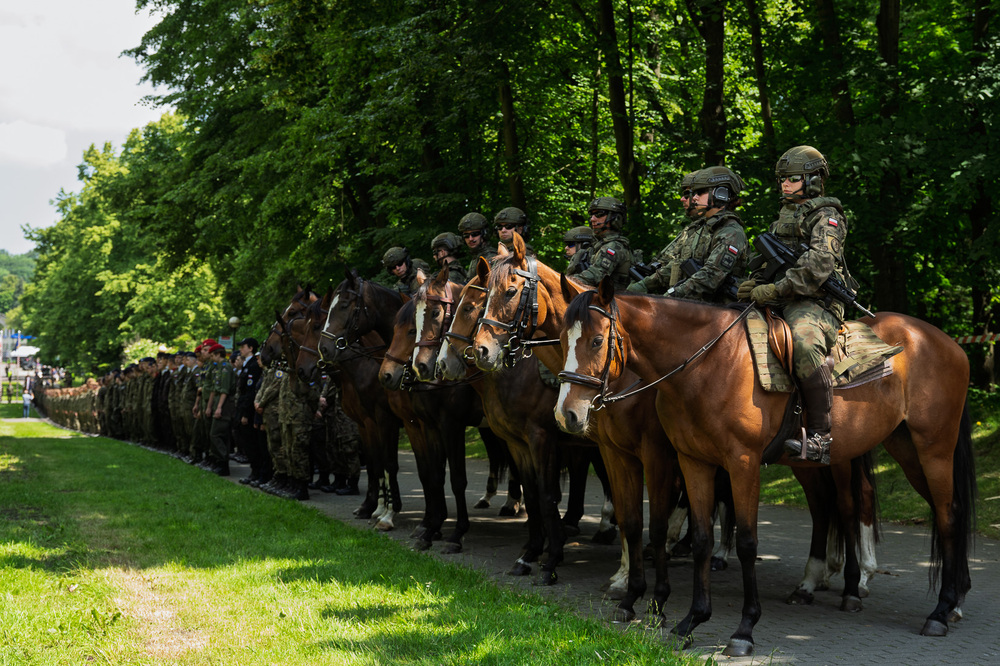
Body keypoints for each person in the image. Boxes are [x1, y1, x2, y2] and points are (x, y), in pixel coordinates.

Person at [737, 146, 848, 465]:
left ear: (813, 180)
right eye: (782, 179)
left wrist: (774, 289)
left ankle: (820, 437)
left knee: (804, 342)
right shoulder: (783, 217)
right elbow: (766, 260)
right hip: (780, 296)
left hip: (815, 302)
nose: (784, 184)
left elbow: (817, 266)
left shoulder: (827, 217)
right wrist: (754, 282)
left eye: (793, 178)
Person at [628, 167, 749, 302]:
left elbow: (711, 275)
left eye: (700, 192)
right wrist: (644, 285)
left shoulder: (731, 231)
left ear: (721, 194)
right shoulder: (702, 228)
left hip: (719, 309)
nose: (694, 197)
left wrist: (670, 297)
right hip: (693, 306)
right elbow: (678, 265)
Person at [573, 197, 634, 290]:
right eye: (592, 215)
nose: (592, 219)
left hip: (612, 298)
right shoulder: (598, 245)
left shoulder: (613, 247)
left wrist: (565, 281)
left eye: (599, 214)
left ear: (615, 218)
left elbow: (595, 275)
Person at [458, 212, 497, 278]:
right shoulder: (476, 257)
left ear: (484, 234)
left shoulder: (491, 257)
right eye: (466, 235)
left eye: (475, 234)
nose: (470, 239)